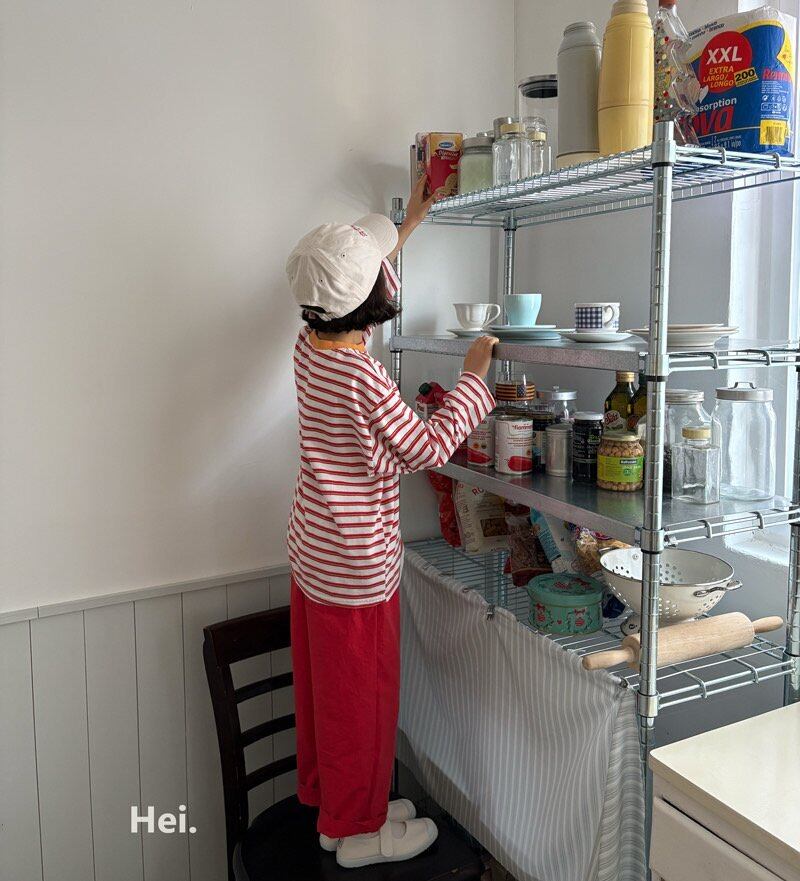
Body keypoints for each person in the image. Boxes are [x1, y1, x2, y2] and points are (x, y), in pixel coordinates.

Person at [285, 175, 497, 869]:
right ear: (373, 297)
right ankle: (360, 833)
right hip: (357, 569)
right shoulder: (365, 378)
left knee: (326, 693)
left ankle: (335, 808)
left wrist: (407, 227)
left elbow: (349, 293)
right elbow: (428, 447)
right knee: (364, 702)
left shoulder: (309, 347)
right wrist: (474, 378)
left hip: (314, 555)